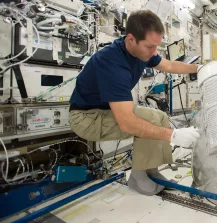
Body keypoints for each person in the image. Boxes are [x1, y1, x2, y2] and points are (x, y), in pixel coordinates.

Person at [68, 10, 201, 196]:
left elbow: (169, 65)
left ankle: (152, 171)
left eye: (156, 46)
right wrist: (173, 135)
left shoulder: (141, 52)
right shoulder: (112, 62)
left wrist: (200, 68)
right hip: (86, 118)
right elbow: (127, 123)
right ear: (131, 39)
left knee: (159, 116)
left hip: (103, 112)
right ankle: (137, 178)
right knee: (146, 120)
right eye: (150, 47)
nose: (154, 52)